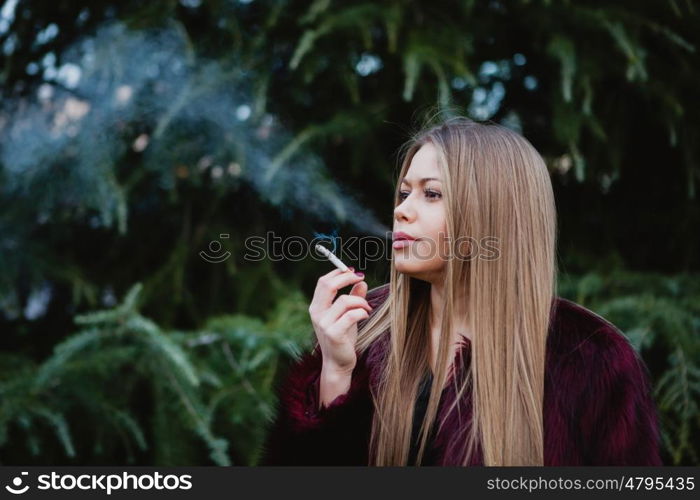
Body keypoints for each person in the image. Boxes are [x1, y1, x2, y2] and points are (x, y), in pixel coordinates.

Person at [259, 116, 663, 466]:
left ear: (495, 213)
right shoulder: (363, 328)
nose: (402, 209)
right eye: (404, 193)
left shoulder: (592, 357)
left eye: (431, 193)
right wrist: (337, 373)